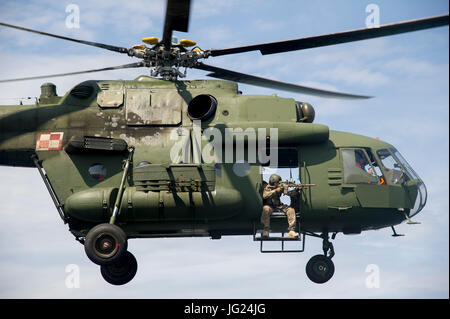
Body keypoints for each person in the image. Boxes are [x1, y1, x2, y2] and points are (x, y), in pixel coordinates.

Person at [260, 174, 300, 239]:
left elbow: (290, 193)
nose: (279, 183)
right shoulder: (266, 187)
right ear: (273, 182)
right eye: (277, 182)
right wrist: (276, 190)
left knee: (291, 210)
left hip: (279, 206)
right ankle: (266, 230)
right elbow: (265, 195)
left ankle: (291, 231)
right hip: (270, 206)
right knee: (266, 209)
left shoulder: (280, 187)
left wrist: (295, 190)